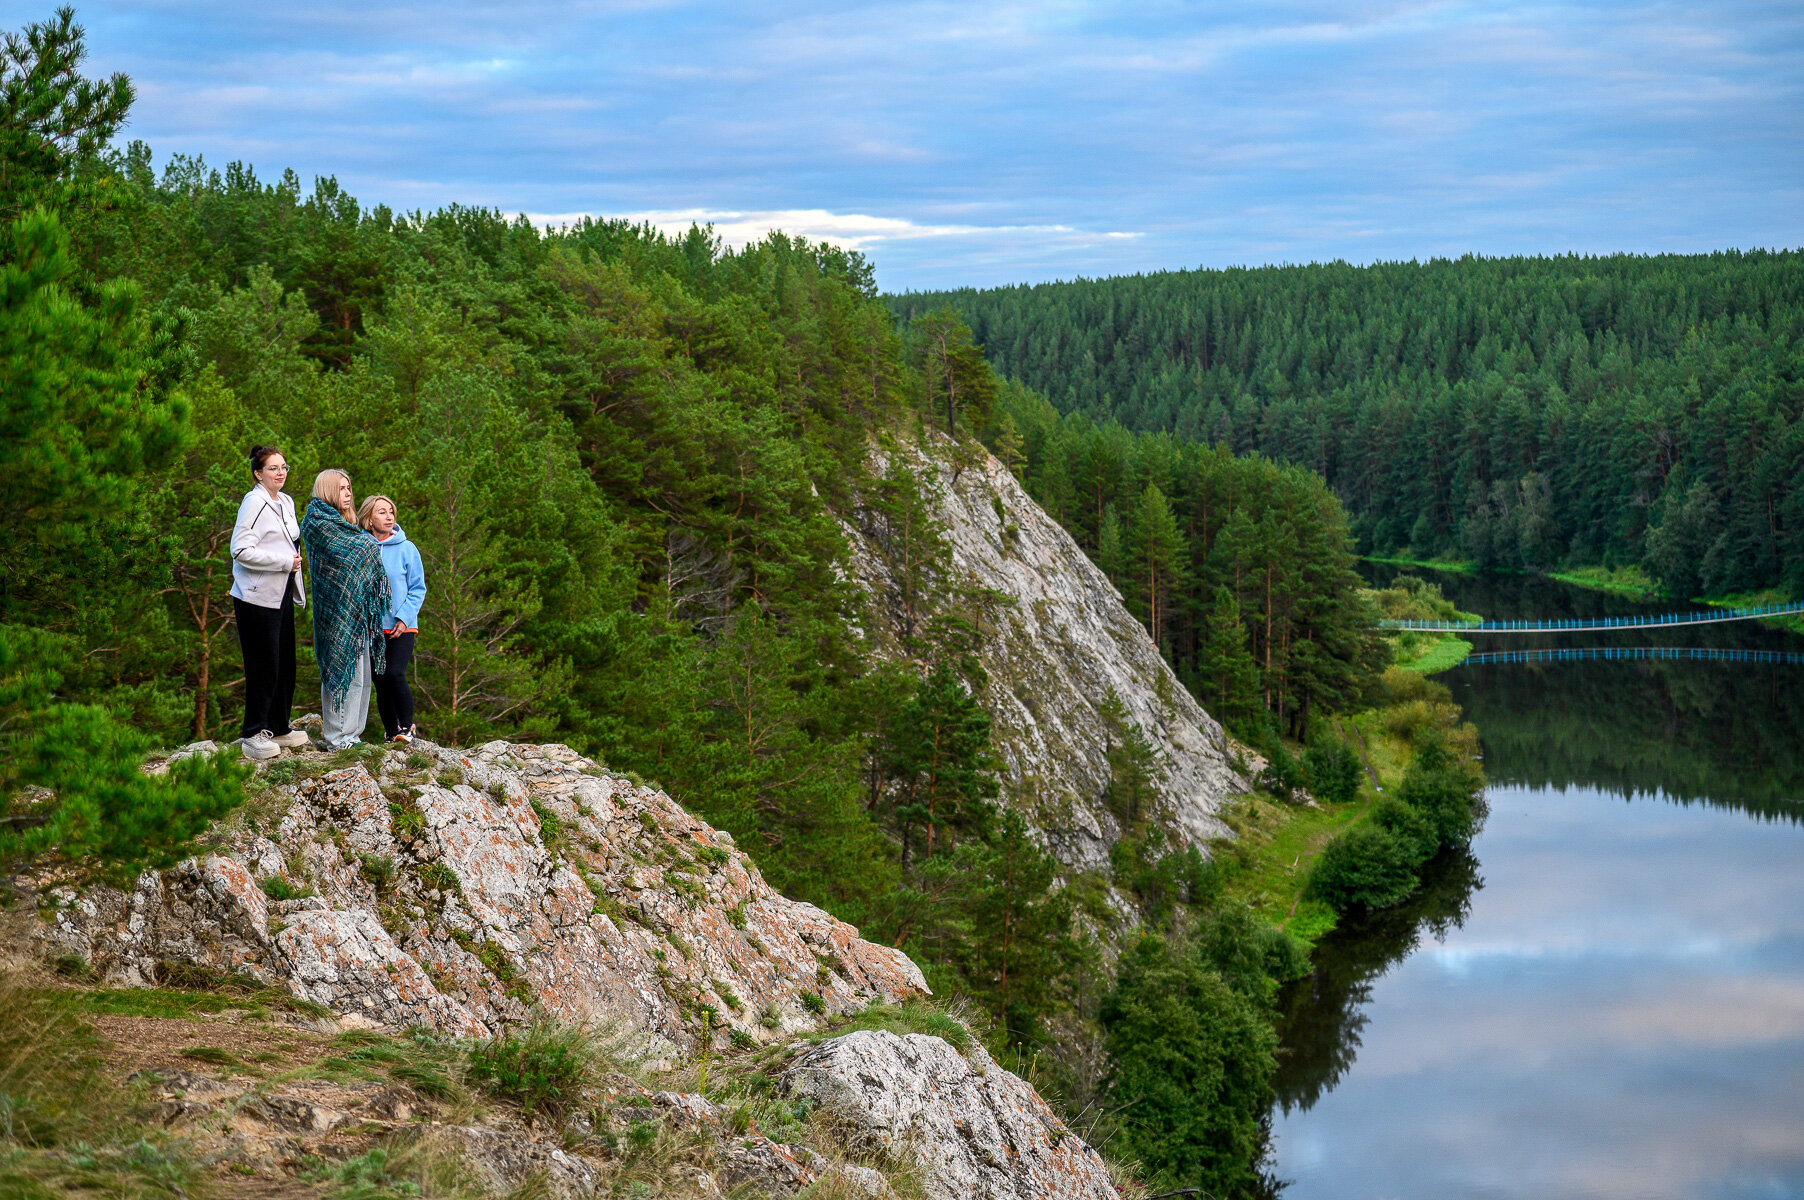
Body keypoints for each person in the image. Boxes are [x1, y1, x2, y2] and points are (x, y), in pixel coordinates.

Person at [230, 445, 312, 760]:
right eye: (273, 468)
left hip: (281, 595)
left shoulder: (286, 502)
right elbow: (239, 550)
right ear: (258, 473)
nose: (280, 473)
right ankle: (253, 734)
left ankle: (278, 727)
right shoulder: (253, 502)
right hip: (255, 598)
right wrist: (282, 562)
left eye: (284, 467)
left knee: (285, 664)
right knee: (263, 665)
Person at [300, 469, 391, 750]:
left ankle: (353, 734)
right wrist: (366, 547)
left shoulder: (343, 523)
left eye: (349, 487)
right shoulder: (318, 522)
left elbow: (359, 551)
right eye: (342, 488)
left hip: (356, 610)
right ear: (328, 491)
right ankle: (337, 737)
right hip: (335, 612)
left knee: (361, 677)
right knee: (343, 673)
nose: (349, 493)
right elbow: (350, 555)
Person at [357, 494, 426, 744]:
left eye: (391, 512)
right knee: (380, 680)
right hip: (372, 628)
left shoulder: (407, 548)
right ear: (368, 518)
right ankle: (391, 732)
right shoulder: (360, 548)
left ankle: (408, 727)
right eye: (382, 512)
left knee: (395, 674)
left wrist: (404, 618)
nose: (389, 517)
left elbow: (418, 588)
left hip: (402, 627)